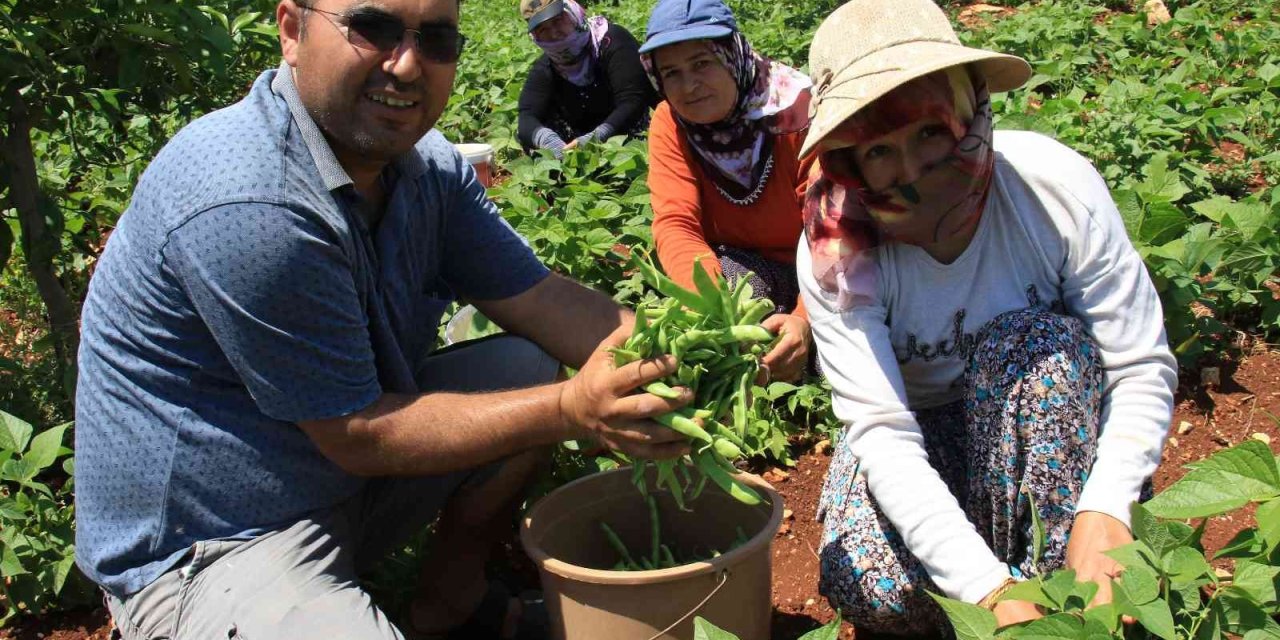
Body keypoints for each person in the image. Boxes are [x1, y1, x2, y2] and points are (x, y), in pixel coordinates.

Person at [73, 1, 693, 638]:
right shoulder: (251, 198)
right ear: (292, 31)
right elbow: (358, 435)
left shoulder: (426, 166)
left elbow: (538, 299)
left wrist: (682, 361)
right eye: (373, 29)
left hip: (336, 480)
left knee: (524, 366)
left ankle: (452, 607)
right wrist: (571, 408)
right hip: (214, 541)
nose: (406, 65)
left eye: (436, 40)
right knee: (543, 399)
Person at [796, 0, 1177, 633]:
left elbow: (1137, 364)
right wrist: (986, 587)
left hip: (1038, 417)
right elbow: (883, 430)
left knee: (1039, 349)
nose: (914, 171)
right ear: (848, 159)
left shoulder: (1053, 190)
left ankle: (1063, 584)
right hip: (921, 427)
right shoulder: (837, 254)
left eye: (929, 131)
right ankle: (1007, 587)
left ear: (968, 110)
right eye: (880, 150)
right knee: (870, 582)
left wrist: (1108, 506)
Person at [639, 0, 815, 382]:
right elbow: (676, 223)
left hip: (822, 267)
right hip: (744, 266)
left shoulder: (797, 112)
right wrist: (713, 308)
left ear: (732, 55)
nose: (689, 86)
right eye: (671, 72)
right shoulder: (671, 122)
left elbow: (833, 230)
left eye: (702, 63)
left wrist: (806, 318)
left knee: (839, 356)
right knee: (726, 348)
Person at [516, 0, 657, 159]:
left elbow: (632, 100)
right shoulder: (547, 66)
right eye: (543, 29)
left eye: (558, 20)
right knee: (533, 134)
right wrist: (548, 140)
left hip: (624, 135)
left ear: (572, 12)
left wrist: (597, 137)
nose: (554, 33)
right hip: (578, 144)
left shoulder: (613, 41)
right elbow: (527, 117)